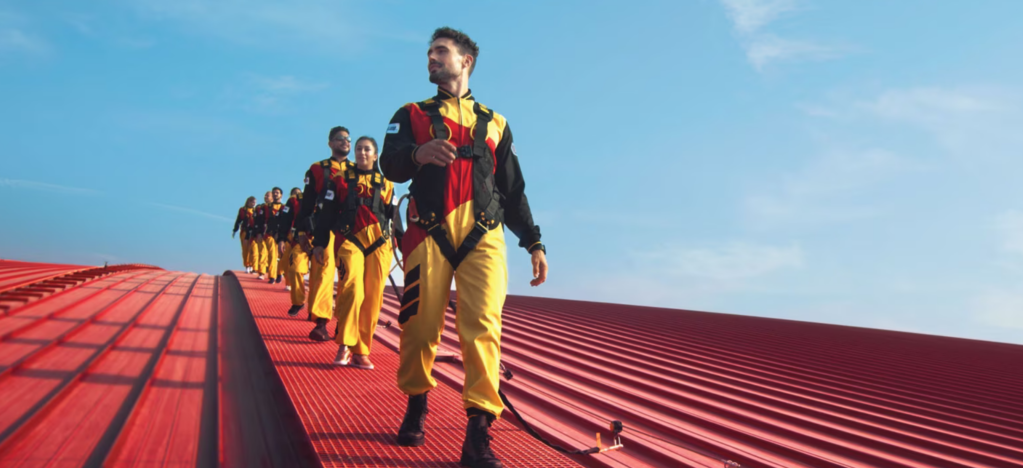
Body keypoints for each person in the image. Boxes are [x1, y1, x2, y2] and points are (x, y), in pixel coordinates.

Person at [380, 27, 548, 468]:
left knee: (483, 330)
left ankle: (478, 433)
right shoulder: (410, 112)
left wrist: (533, 240)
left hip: (485, 236)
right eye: (430, 53)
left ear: (465, 61)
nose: (431, 59)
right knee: (419, 330)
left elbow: (513, 189)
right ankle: (417, 403)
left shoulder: (496, 122)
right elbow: (389, 164)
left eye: (440, 52)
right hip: (426, 233)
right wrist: (418, 154)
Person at [312, 136, 394, 370]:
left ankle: (361, 350)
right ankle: (345, 344)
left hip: (380, 243)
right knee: (351, 290)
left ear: (375, 155)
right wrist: (319, 242)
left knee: (373, 297)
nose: (362, 152)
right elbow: (326, 213)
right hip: (349, 240)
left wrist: (404, 247)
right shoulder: (339, 180)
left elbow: (392, 218)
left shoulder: (386, 182)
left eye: (367, 149)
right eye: (359, 148)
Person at [296, 126, 353, 340]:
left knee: (349, 275)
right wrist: (301, 229)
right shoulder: (317, 169)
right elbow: (307, 201)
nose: (345, 142)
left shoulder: (358, 170)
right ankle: (321, 322)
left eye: (348, 139)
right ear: (330, 143)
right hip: (324, 225)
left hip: (349, 228)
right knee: (323, 271)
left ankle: (344, 322)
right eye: (340, 138)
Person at [277, 187, 307, 315]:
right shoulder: (294, 202)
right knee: (294, 270)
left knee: (321, 278)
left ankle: (318, 314)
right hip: (298, 240)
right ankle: (298, 302)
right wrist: (281, 238)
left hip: (322, 241)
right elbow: (285, 220)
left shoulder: (327, 196)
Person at [232, 196, 257, 273]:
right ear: (248, 202)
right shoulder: (242, 210)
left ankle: (254, 265)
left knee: (253, 249)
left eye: (254, 202)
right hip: (244, 231)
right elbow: (238, 220)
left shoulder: (256, 210)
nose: (253, 203)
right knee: (245, 249)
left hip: (253, 232)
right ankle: (247, 265)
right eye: (252, 202)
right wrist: (235, 230)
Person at [251, 191, 272, 280]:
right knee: (262, 252)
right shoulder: (260, 208)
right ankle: (262, 272)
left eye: (268, 195)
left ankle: (274, 274)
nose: (266, 196)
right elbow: (257, 220)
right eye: (265, 195)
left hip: (272, 234)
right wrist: (258, 233)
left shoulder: (279, 207)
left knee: (273, 255)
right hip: (263, 232)